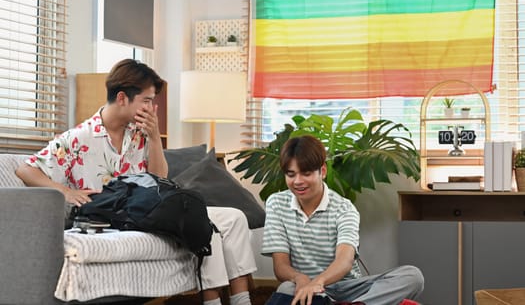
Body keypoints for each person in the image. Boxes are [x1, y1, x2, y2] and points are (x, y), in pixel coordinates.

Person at [15, 59, 256, 305]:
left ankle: (241, 299)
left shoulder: (139, 134)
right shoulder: (78, 138)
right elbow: (26, 169)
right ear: (122, 98)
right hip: (118, 217)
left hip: (149, 211)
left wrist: (153, 138)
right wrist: (64, 191)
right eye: (147, 100)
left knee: (234, 218)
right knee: (203, 223)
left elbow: (160, 180)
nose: (152, 108)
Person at [261, 135, 424, 305]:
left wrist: (318, 282)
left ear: (322, 171)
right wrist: (299, 278)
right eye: (291, 174)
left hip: (346, 288)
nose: (298, 181)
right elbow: (280, 266)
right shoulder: (277, 204)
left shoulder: (344, 209)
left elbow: (344, 261)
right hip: (304, 287)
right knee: (286, 288)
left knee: (412, 276)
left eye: (306, 173)